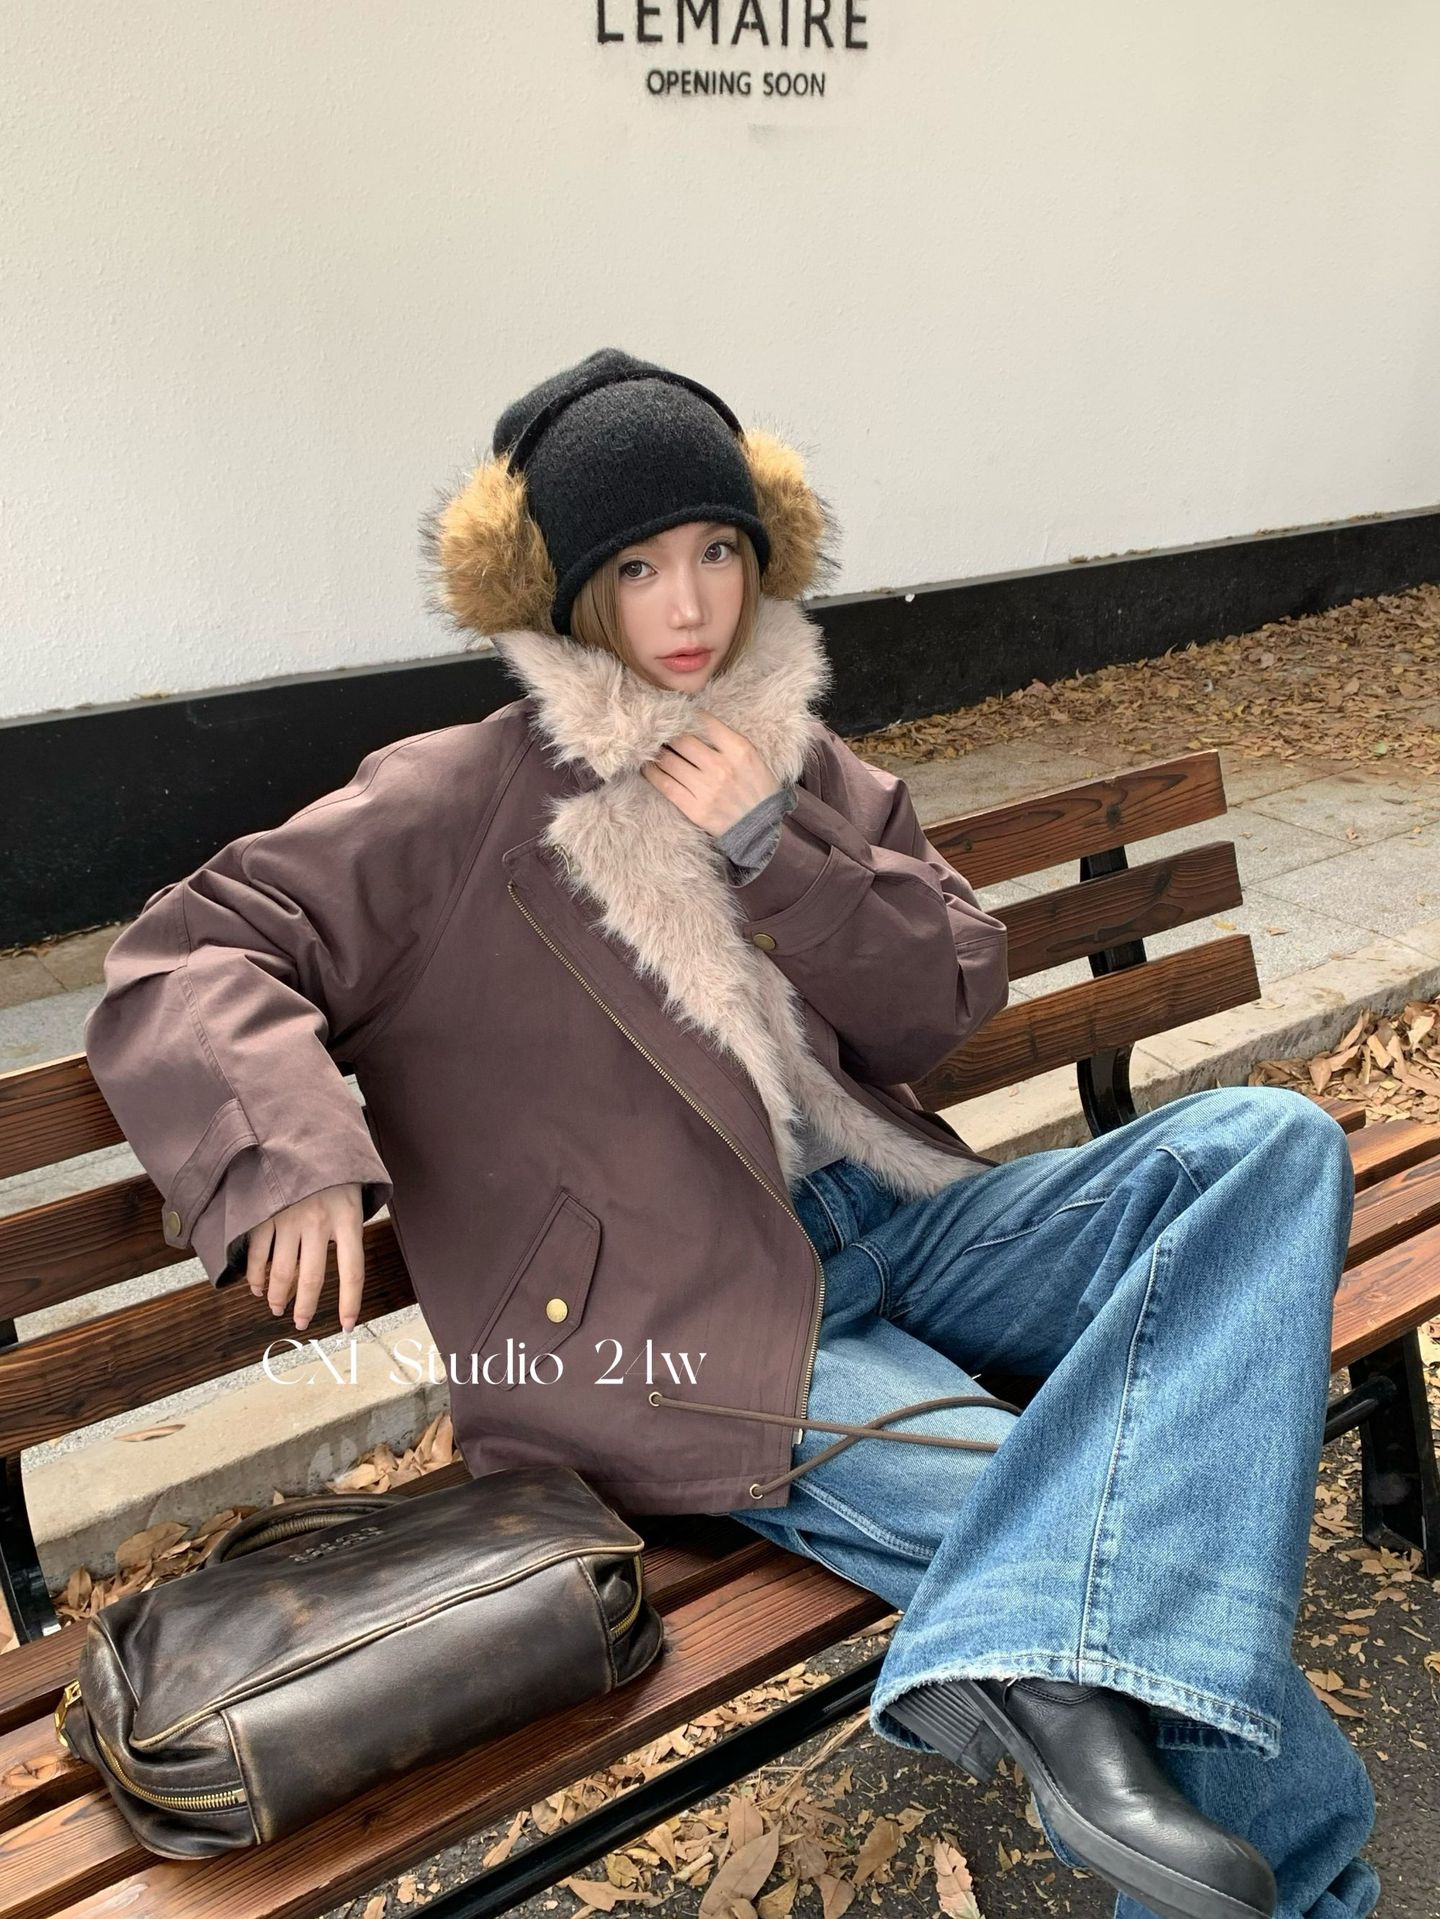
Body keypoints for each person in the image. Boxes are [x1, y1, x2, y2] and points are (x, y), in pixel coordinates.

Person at [83, 347, 1379, 1919]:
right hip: (675, 1321)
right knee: (1061, 1517)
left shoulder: (798, 763)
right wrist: (287, 1155)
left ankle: (1073, 1679)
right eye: (637, 567)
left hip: (895, 1224)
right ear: (563, 591)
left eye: (717, 551)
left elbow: (940, 1003)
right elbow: (191, 948)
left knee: (1261, 1146)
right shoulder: (450, 803)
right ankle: (1298, 1883)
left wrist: (778, 848)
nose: (690, 603)